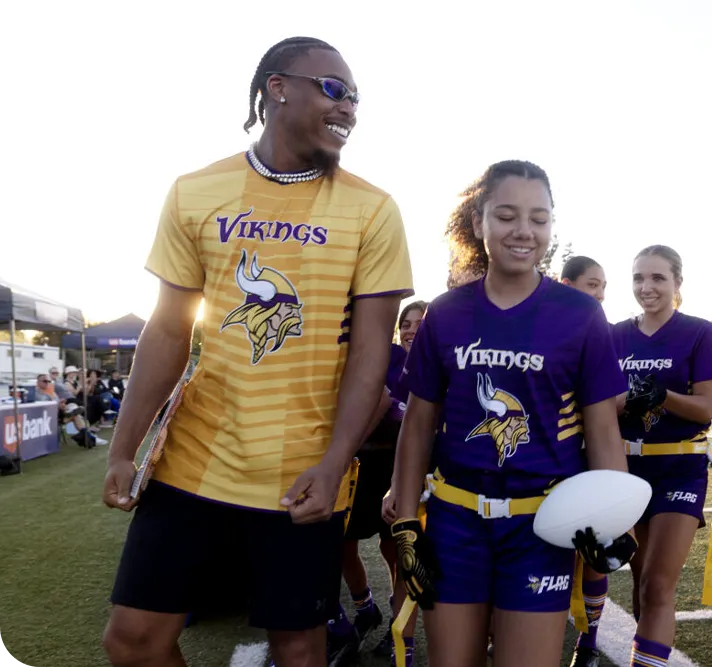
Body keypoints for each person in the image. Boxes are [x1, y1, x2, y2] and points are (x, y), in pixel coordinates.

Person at [100, 36, 413, 667]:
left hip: (300, 473)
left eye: (355, 98)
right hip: (192, 461)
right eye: (334, 89)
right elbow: (167, 330)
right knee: (133, 642)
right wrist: (123, 446)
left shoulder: (373, 209)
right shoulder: (195, 190)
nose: (349, 107)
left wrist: (334, 462)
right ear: (277, 87)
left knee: (299, 649)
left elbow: (371, 354)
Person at [390, 160, 636, 667]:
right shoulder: (446, 312)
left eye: (539, 218)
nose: (524, 230)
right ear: (478, 222)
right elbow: (418, 422)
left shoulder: (581, 315)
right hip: (455, 521)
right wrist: (407, 521)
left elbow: (602, 428)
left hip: (540, 526)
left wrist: (615, 512)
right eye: (506, 215)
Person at [611, 245, 712, 667]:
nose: (647, 287)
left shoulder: (697, 331)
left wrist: (661, 395)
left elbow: (705, 408)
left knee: (659, 584)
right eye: (639, 278)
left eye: (658, 278)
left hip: (679, 468)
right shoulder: (614, 334)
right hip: (626, 468)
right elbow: (600, 405)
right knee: (642, 588)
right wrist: (625, 400)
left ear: (678, 283)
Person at [328, 300, 428, 667]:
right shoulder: (366, 351)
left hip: (397, 466)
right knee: (341, 543)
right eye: (407, 323)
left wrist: (341, 452)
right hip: (361, 465)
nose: (411, 330)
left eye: (419, 322)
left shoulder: (419, 359)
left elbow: (384, 402)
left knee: (398, 551)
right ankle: (364, 606)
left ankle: (401, 634)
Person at [558, 254, 614, 667]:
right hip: (546, 461)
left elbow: (612, 400)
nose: (599, 294)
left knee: (592, 553)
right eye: (592, 284)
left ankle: (589, 642)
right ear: (566, 283)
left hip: (588, 458)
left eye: (603, 287)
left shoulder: (602, 332)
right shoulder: (537, 325)